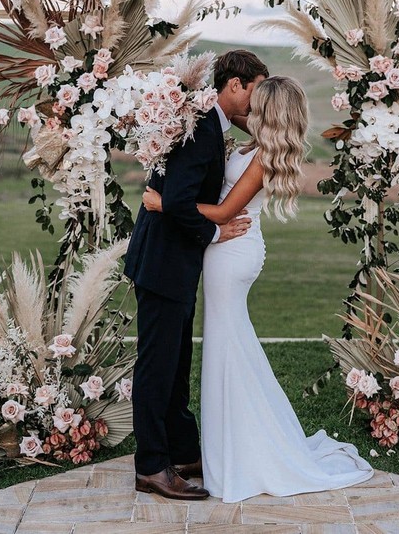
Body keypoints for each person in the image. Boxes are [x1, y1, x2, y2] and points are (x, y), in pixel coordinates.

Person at [142, 75, 374, 503]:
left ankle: (244, 453)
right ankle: (220, 447)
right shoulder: (258, 139)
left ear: (268, 110)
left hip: (233, 248)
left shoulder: (266, 155)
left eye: (257, 103)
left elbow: (228, 209)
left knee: (227, 348)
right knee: (228, 346)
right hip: (227, 252)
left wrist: (165, 203)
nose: (248, 108)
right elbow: (229, 119)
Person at [124, 49, 269, 500]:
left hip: (175, 262)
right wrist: (216, 231)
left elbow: (175, 196)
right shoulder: (203, 129)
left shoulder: (209, 123)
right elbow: (180, 201)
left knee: (176, 365)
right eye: (255, 91)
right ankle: (151, 465)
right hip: (164, 261)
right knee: (157, 367)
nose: (257, 104)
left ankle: (183, 451)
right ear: (234, 86)